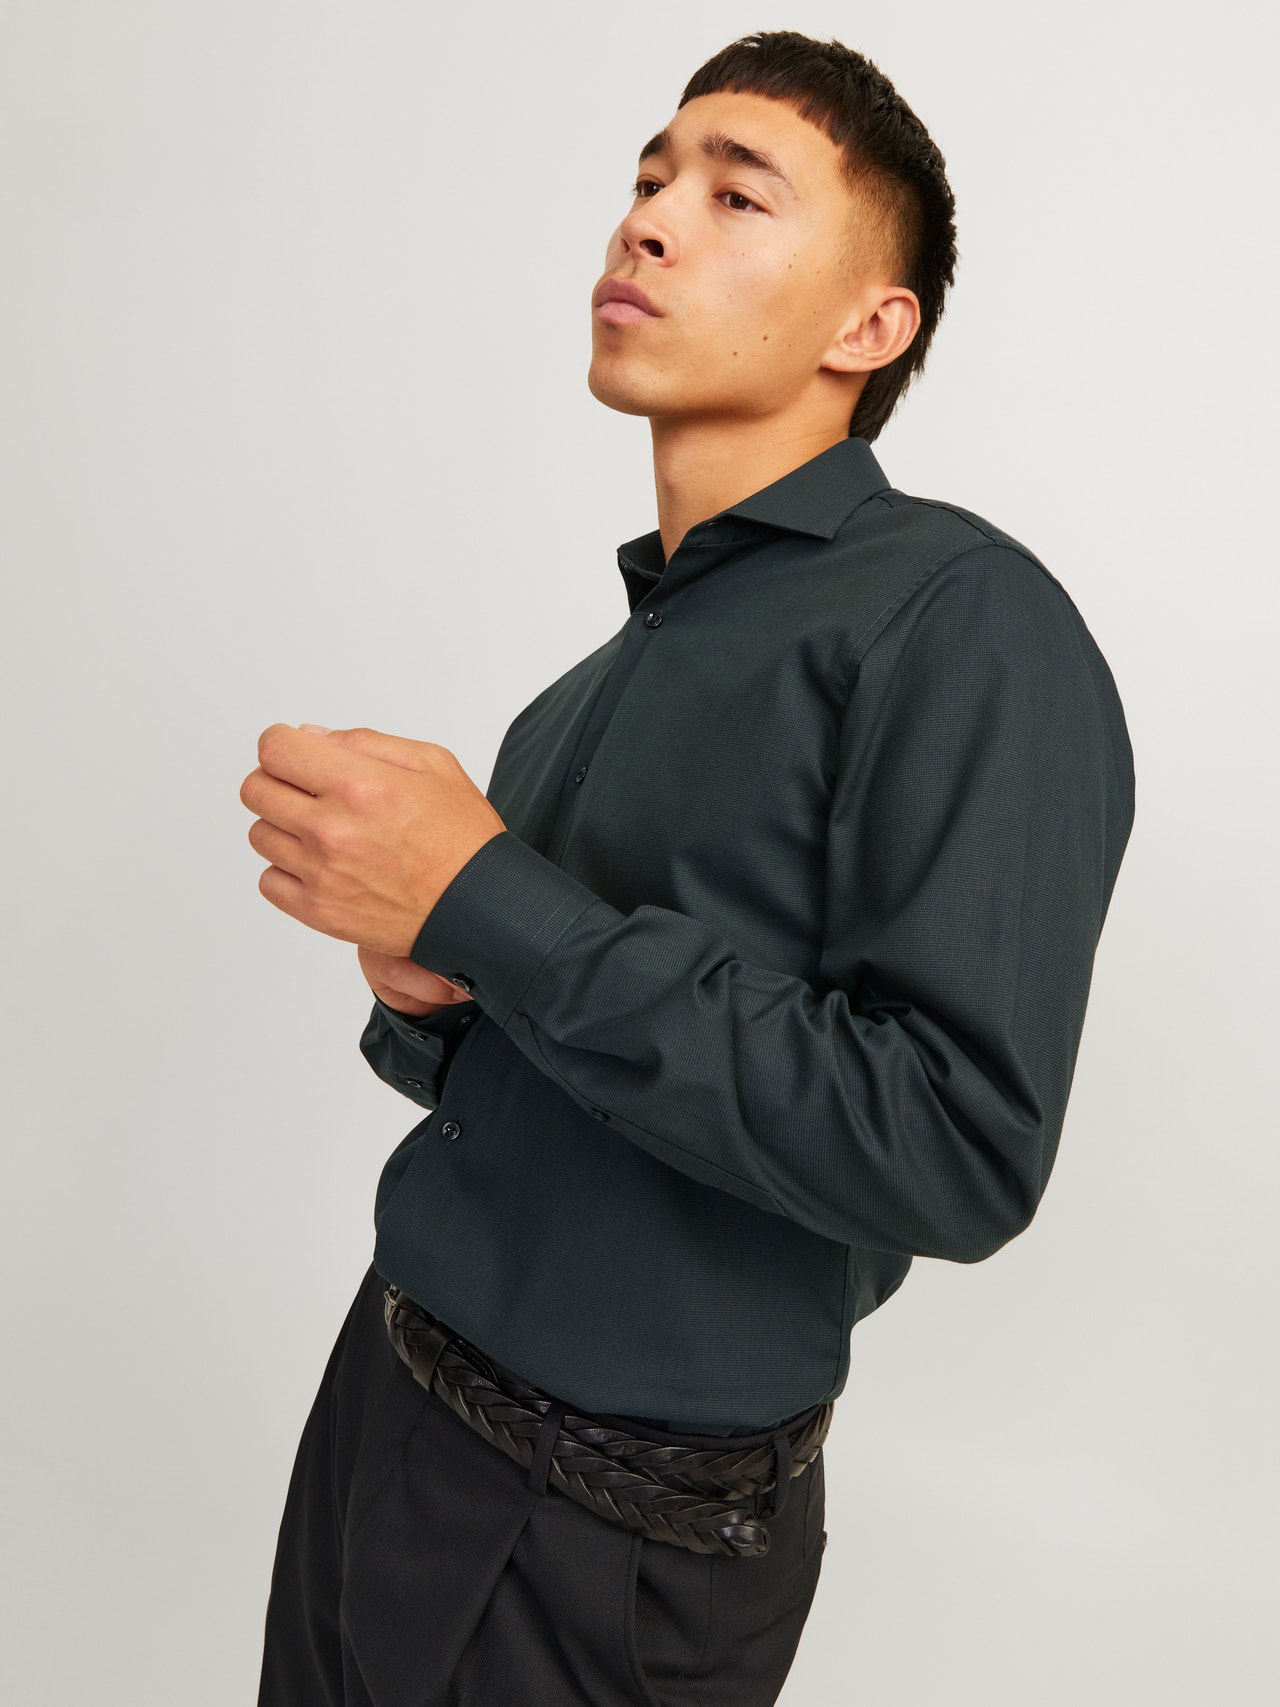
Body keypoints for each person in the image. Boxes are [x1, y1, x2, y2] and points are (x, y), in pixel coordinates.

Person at [244, 28, 1135, 1707]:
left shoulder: (967, 622)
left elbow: (955, 1147)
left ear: (872, 328)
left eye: (737, 195)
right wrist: (428, 979)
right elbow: (551, 1058)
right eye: (649, 178)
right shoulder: (588, 684)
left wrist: (493, 900)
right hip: (379, 1410)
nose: (646, 220)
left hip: (605, 1532)